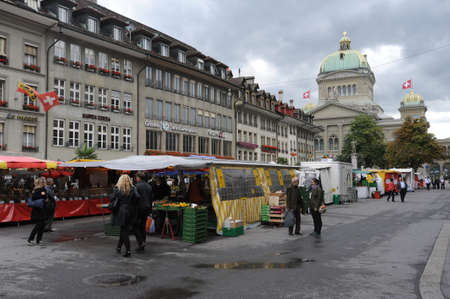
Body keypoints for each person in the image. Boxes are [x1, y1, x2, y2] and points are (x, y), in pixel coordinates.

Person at [110, 174, 140, 257]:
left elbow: (111, 198)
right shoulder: (133, 188)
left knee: (124, 231)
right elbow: (137, 197)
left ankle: (128, 250)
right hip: (131, 211)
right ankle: (119, 247)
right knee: (124, 230)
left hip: (121, 211)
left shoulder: (118, 189)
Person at [27, 177, 50, 245]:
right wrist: (43, 199)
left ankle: (39, 240)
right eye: (43, 181)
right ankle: (31, 239)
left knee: (42, 224)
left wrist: (45, 198)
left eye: (44, 181)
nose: (44, 182)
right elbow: (35, 197)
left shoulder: (42, 189)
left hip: (42, 208)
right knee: (39, 225)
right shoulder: (38, 189)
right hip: (38, 209)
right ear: (40, 182)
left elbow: (44, 196)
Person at [134, 172, 152, 251]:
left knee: (136, 226)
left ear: (138, 177)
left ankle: (141, 242)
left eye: (136, 177)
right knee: (142, 226)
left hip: (139, 208)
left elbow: (135, 198)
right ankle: (142, 243)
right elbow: (151, 198)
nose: (135, 179)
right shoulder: (149, 186)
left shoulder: (136, 186)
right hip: (147, 208)